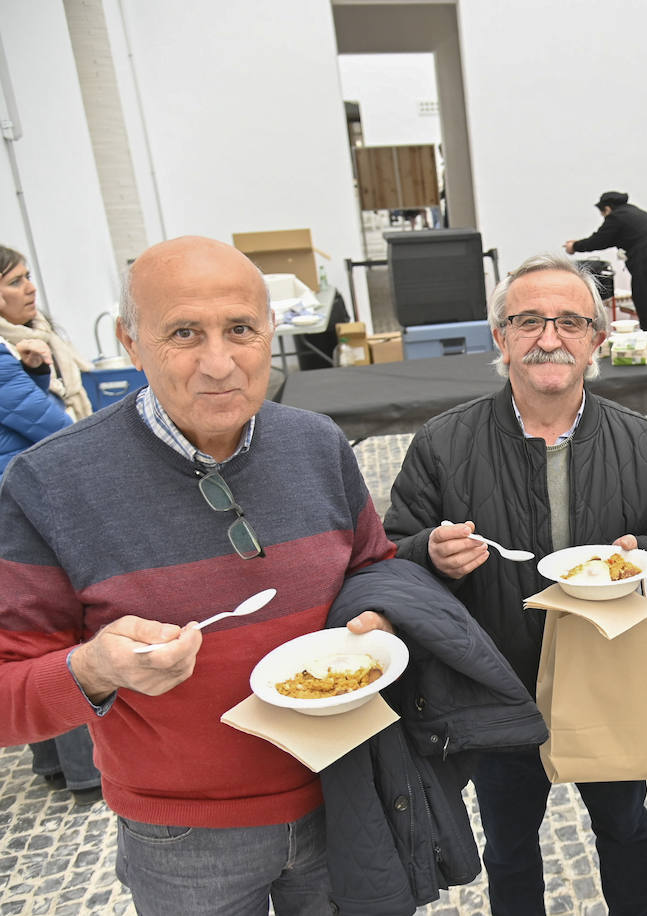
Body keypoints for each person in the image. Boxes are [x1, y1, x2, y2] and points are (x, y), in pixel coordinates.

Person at [0, 236, 397, 914]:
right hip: (184, 838)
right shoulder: (50, 483)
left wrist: (381, 617)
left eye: (240, 330)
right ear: (130, 341)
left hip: (342, 796)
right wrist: (96, 669)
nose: (219, 364)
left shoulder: (317, 444)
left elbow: (373, 569)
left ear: (271, 331)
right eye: (184, 333)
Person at [383, 251, 647, 916]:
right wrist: (429, 553)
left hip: (610, 681)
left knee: (627, 829)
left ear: (597, 341)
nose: (548, 338)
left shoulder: (644, 445)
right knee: (509, 845)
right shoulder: (443, 443)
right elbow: (390, 555)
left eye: (569, 323)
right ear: (499, 337)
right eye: (527, 321)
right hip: (497, 686)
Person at [0, 305, 102, 808]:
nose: (29, 288)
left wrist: (35, 373)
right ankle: (84, 770)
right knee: (54, 632)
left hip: (14, 506)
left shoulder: (12, 350)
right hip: (24, 510)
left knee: (22, 630)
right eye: (15, 280)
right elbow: (54, 431)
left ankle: (51, 763)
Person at [565, 191, 647, 339]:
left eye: (602, 212)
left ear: (607, 208)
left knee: (646, 309)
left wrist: (575, 246)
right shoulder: (636, 212)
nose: (603, 217)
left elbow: (599, 240)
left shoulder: (616, 217)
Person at [0, 246, 91, 420]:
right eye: (15, 282)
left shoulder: (45, 332)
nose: (31, 288)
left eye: (27, 277)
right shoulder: (5, 353)